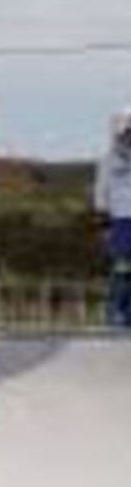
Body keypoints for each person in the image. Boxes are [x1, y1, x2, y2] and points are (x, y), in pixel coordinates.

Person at [94, 108, 131, 328]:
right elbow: (100, 191)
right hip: (119, 222)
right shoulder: (108, 161)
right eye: (126, 133)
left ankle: (128, 316)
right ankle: (114, 312)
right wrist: (103, 222)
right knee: (122, 269)